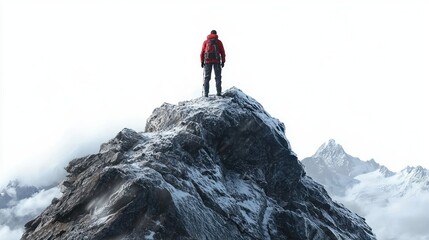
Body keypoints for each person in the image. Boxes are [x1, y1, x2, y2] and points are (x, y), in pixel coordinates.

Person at [200, 30, 226, 97]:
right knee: (218, 77)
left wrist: (202, 61)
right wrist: (223, 61)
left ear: (210, 34)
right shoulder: (219, 42)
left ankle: (206, 94)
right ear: (216, 34)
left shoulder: (206, 42)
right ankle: (219, 93)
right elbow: (222, 52)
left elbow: (202, 53)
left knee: (207, 78)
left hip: (207, 61)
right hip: (217, 61)